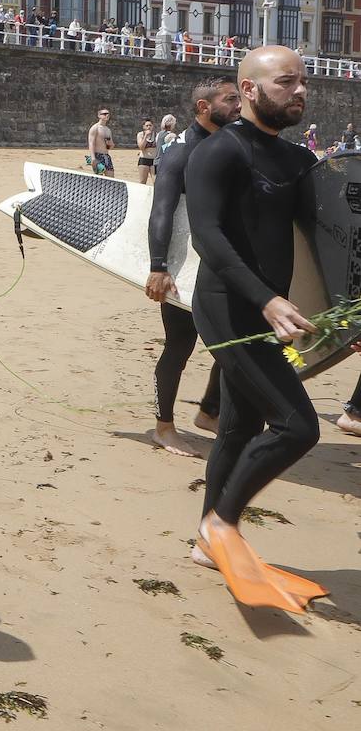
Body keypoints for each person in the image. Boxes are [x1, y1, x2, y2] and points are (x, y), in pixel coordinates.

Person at [185, 46, 337, 613]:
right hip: (228, 308)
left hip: (268, 307)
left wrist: (346, 320)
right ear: (248, 90)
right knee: (297, 426)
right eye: (285, 82)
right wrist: (268, 300)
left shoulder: (298, 162)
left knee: (240, 424)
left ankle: (208, 535)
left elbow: (326, 243)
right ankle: (223, 525)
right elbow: (208, 237)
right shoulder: (218, 154)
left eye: (304, 82)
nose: (299, 91)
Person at [145, 77, 241, 458]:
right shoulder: (180, 153)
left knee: (231, 344)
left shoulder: (229, 147)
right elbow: (162, 211)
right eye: (230, 99)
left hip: (218, 265)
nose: (239, 105)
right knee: (180, 345)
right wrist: (158, 265)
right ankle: (164, 427)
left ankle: (209, 412)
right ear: (204, 107)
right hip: (183, 267)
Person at [87, 108, 114, 177]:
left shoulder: (108, 130)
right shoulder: (95, 128)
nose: (107, 115)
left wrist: (110, 144)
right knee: (99, 180)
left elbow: (110, 146)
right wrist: (93, 158)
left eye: (108, 114)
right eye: (104, 114)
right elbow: (91, 143)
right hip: (97, 156)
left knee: (112, 179)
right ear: (99, 116)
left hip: (106, 156)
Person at [135, 119, 157, 185]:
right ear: (143, 127)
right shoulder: (140, 134)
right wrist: (145, 136)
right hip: (144, 159)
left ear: (153, 126)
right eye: (147, 125)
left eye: (150, 125)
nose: (148, 127)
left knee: (155, 181)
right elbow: (141, 147)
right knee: (142, 182)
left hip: (154, 160)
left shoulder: (157, 135)